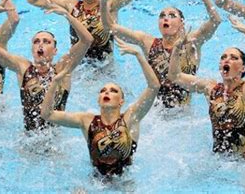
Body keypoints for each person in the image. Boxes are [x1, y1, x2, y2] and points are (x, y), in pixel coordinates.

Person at [40, 39, 160, 176]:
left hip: (125, 182)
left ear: (121, 102)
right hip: (96, 181)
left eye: (113, 91)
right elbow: (47, 114)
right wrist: (55, 82)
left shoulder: (130, 117)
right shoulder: (86, 121)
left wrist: (139, 55)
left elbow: (154, 86)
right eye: (103, 91)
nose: (107, 92)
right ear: (98, 100)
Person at [0, 0, 93, 131]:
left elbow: (87, 40)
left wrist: (68, 15)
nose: (40, 45)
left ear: (55, 51)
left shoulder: (63, 68)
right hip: (28, 140)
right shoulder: (23, 67)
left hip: (56, 143)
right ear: (32, 49)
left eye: (46, 41)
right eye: (36, 41)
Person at [102, 0, 221, 108]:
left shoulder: (191, 43)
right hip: (156, 113)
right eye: (162, 16)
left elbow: (216, 20)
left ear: (182, 23)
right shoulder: (148, 42)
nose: (166, 18)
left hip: (183, 113)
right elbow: (110, 27)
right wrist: (104, 2)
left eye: (172, 15)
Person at [167, 16, 245, 157]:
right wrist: (177, 48)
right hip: (218, 162)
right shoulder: (211, 89)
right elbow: (175, 76)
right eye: (223, 57)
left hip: (244, 165)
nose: (227, 59)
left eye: (234, 58)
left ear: (243, 68)